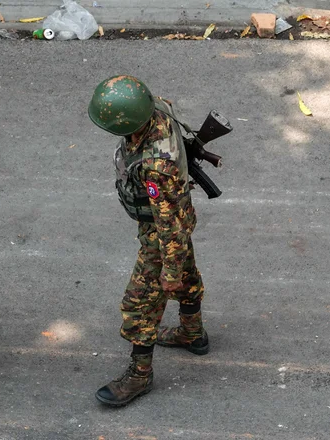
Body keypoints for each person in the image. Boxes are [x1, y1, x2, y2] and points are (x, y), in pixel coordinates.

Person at [87, 76, 209, 407]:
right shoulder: (154, 107)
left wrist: (168, 269)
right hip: (178, 216)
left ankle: (139, 376)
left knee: (139, 304)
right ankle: (192, 333)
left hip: (163, 232)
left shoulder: (157, 167)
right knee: (187, 273)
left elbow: (168, 225)